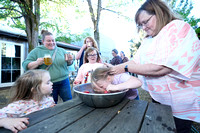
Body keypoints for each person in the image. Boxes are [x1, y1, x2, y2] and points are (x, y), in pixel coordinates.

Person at [109, 0, 200, 132]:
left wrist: (124, 68)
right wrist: (113, 69)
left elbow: (162, 68)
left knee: (179, 129)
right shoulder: (147, 40)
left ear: (159, 12)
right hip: (159, 99)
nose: (144, 28)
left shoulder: (179, 28)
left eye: (145, 22)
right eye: (140, 25)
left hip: (181, 102)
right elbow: (135, 61)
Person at [22, 30, 73, 104]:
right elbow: (25, 65)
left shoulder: (61, 50)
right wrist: (37, 62)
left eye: (53, 40)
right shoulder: (36, 51)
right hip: (47, 84)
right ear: (43, 41)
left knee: (69, 102)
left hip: (64, 81)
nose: (51, 43)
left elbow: (69, 64)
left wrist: (70, 60)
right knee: (50, 104)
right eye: (48, 41)